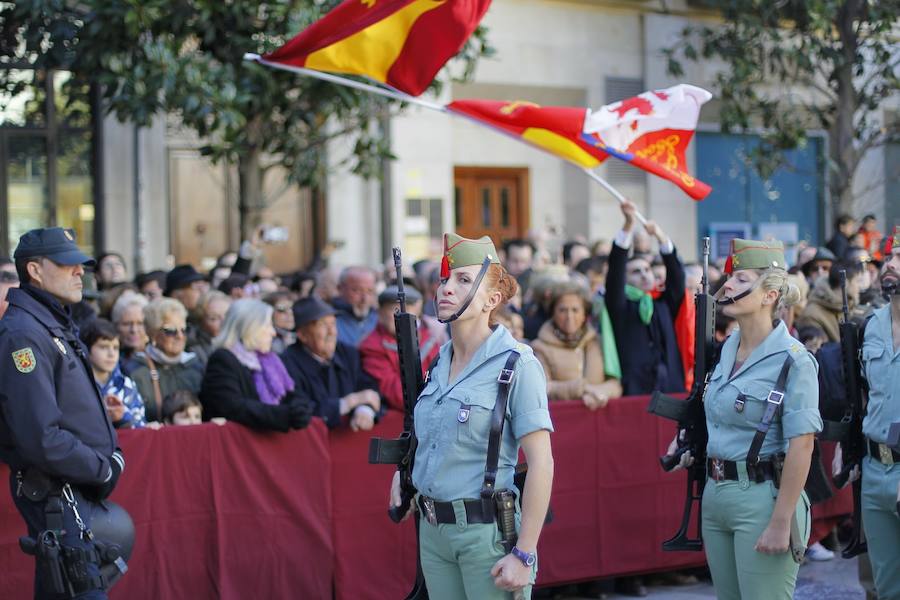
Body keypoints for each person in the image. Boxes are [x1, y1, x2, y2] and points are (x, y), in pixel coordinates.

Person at [389, 232, 554, 600]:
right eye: (445, 279)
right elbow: (430, 439)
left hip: (486, 533)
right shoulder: (437, 363)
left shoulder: (517, 364)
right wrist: (405, 473)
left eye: (463, 280)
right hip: (433, 533)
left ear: (492, 300)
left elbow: (541, 464)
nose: (446, 288)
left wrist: (524, 553)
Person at [668, 238, 821, 599]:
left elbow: (803, 445)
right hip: (717, 493)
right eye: (731, 276)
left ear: (769, 295)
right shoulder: (725, 351)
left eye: (742, 278)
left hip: (764, 497)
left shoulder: (793, 359)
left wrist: (782, 521)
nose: (729, 284)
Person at [0, 227, 126, 598]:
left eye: (81, 265)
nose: (79, 272)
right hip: (57, 493)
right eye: (67, 264)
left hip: (72, 490)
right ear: (35, 271)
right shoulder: (23, 333)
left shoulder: (49, 321)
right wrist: (101, 467)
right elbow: (40, 436)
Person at [854, 225, 900, 598]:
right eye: (890, 258)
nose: (891, 265)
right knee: (886, 586)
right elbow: (868, 396)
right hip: (875, 469)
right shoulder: (872, 326)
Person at [606, 200, 686, 395]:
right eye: (635, 271)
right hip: (636, 391)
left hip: (671, 388)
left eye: (647, 269)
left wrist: (660, 236)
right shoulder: (620, 306)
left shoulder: (664, 303)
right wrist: (628, 225)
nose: (644, 274)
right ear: (625, 280)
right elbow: (616, 268)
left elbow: (676, 276)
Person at [200, 299, 313, 432]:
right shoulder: (222, 359)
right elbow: (233, 407)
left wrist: (299, 408)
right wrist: (284, 415)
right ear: (249, 328)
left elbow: (291, 393)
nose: (273, 332)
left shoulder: (270, 360)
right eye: (267, 325)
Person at [281, 297, 381, 430]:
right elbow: (301, 410)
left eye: (333, 323)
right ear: (302, 335)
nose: (332, 332)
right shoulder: (287, 363)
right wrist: (348, 402)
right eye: (322, 325)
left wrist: (364, 410)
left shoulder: (348, 353)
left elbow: (368, 387)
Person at [530, 281, 622, 408]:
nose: (569, 316)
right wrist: (583, 389)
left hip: (597, 417)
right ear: (553, 313)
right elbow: (543, 388)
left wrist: (601, 393)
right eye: (562, 310)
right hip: (562, 420)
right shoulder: (539, 347)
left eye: (575, 310)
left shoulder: (598, 342)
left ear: (584, 314)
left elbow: (615, 383)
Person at [359, 285, 441, 412]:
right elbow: (395, 391)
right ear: (380, 312)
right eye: (395, 310)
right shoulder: (372, 346)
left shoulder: (428, 339)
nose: (405, 317)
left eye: (411, 312)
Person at [129, 298, 204, 422]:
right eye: (170, 331)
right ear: (153, 333)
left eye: (184, 330)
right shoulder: (136, 371)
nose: (180, 336)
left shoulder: (196, 367)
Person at [81, 319, 147, 429]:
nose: (111, 354)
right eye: (103, 347)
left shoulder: (126, 384)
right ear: (86, 350)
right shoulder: (77, 384)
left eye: (115, 348)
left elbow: (140, 427)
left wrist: (121, 417)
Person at [795, 260, 864, 342]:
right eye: (857, 281)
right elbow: (818, 351)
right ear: (845, 282)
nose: (859, 287)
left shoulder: (847, 306)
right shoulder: (811, 316)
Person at [332, 266, 378, 347]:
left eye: (370, 291)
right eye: (357, 290)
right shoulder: (329, 320)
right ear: (340, 289)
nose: (365, 299)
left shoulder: (380, 320)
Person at [188, 290, 231, 366]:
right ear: (200, 321)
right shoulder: (192, 350)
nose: (223, 322)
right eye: (214, 318)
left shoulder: (241, 343)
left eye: (227, 315)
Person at [111, 291, 148, 367]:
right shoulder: (110, 361)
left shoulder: (159, 359)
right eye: (127, 324)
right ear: (116, 325)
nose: (134, 330)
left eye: (140, 323)